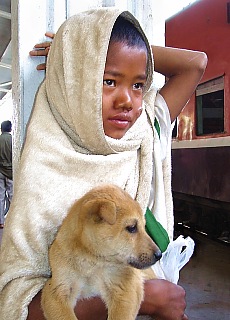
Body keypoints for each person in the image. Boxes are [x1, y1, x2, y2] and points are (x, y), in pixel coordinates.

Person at [0, 8, 207, 320]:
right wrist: (146, 299)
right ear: (75, 82)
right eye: (109, 80)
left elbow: (196, 64)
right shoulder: (46, 170)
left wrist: (103, 48)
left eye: (138, 84)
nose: (127, 100)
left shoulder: (145, 132)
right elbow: (14, 304)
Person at [0, 120, 13, 228]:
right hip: (11, 172)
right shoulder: (13, 140)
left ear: (1, 128)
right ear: (10, 128)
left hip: (0, 171)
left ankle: (1, 222)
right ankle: (13, 220)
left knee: (1, 197)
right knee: (12, 197)